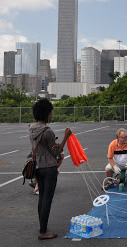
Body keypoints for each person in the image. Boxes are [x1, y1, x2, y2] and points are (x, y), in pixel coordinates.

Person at [28, 98, 72, 240]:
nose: (52, 115)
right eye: (51, 113)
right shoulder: (47, 131)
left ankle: (43, 227)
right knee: (47, 199)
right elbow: (55, 151)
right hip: (49, 168)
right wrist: (66, 137)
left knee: (42, 198)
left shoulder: (32, 128)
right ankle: (43, 231)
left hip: (38, 167)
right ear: (47, 114)